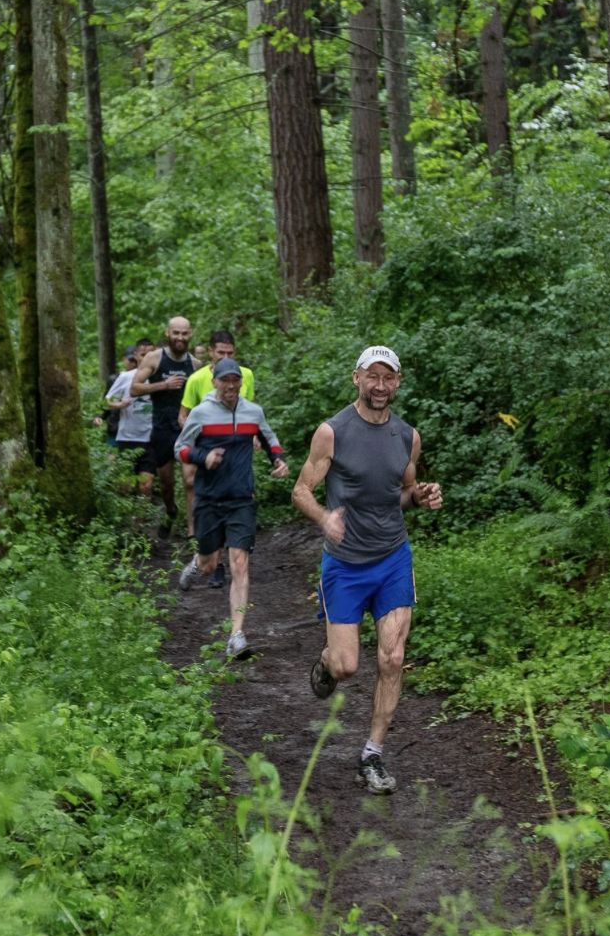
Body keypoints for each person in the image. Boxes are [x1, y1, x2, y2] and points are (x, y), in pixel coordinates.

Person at [290, 345, 442, 795]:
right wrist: (324, 518)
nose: (380, 386)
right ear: (356, 377)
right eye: (371, 376)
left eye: (388, 378)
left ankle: (372, 755)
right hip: (345, 565)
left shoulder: (407, 436)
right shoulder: (332, 432)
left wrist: (422, 497)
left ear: (398, 381)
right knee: (347, 665)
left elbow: (404, 494)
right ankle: (326, 664)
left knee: (393, 658)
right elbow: (301, 490)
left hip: (393, 558)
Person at [173, 359, 286, 659]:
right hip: (209, 498)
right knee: (211, 564)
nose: (231, 386)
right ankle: (198, 563)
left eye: (236, 380)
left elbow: (268, 437)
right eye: (226, 381)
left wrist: (277, 460)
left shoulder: (253, 411)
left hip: (241, 499)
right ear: (215, 382)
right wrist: (203, 457)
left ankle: (236, 635)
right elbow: (180, 448)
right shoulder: (201, 413)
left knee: (239, 563)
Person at [179, 331, 256, 584]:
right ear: (211, 351)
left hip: (235, 449)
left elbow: (247, 412)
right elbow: (184, 415)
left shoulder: (246, 376)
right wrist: (199, 441)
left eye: (230, 353)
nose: (225, 356)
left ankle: (231, 554)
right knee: (195, 487)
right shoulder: (196, 379)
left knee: (241, 495)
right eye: (220, 352)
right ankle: (206, 553)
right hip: (204, 447)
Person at [128, 317, 196, 536]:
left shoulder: (194, 364)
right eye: (176, 333)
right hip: (161, 428)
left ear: (190, 334)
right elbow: (134, 389)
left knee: (190, 480)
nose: (180, 338)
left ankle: (192, 532)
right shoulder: (155, 358)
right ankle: (171, 510)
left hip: (186, 428)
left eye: (184, 334)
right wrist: (163, 385)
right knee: (167, 484)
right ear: (168, 333)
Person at [104, 341, 156, 489]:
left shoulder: (160, 378)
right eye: (142, 355)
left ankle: (144, 512)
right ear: (136, 356)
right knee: (125, 487)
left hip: (150, 439)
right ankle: (127, 513)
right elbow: (107, 402)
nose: (146, 358)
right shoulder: (125, 377)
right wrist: (119, 405)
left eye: (150, 355)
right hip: (127, 438)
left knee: (146, 486)